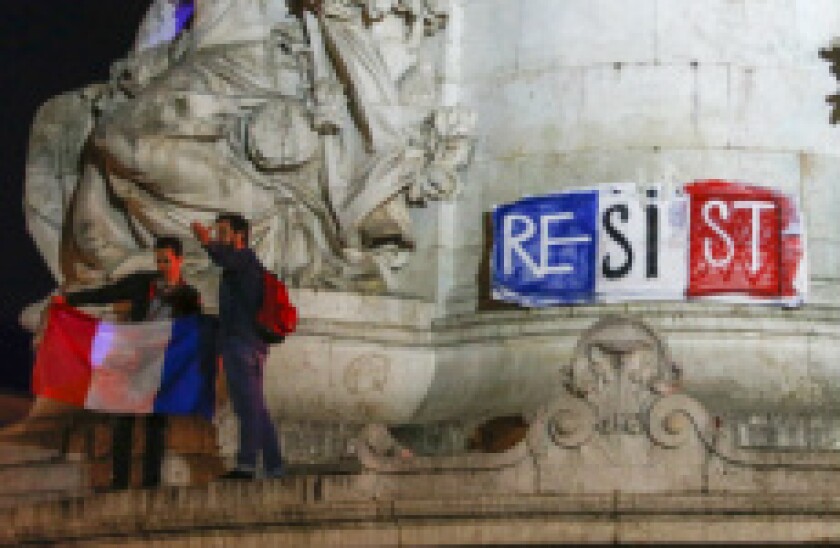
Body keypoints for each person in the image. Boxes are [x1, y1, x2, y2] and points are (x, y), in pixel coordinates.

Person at [53, 236, 201, 489]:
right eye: (159, 261)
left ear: (180, 260)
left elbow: (192, 334)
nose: (162, 266)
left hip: (162, 364)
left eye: (167, 261)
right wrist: (70, 301)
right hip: (136, 361)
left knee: (156, 424)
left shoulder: (188, 296)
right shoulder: (144, 283)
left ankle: (150, 482)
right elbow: (107, 293)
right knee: (123, 420)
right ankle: (119, 480)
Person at [191, 214, 283, 480]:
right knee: (255, 407)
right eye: (217, 232)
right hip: (246, 343)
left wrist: (206, 242)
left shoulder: (243, 259)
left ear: (239, 235)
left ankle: (246, 465)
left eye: (223, 232)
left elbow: (225, 258)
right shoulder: (243, 264)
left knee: (247, 407)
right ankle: (274, 465)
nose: (218, 236)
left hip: (242, 343)